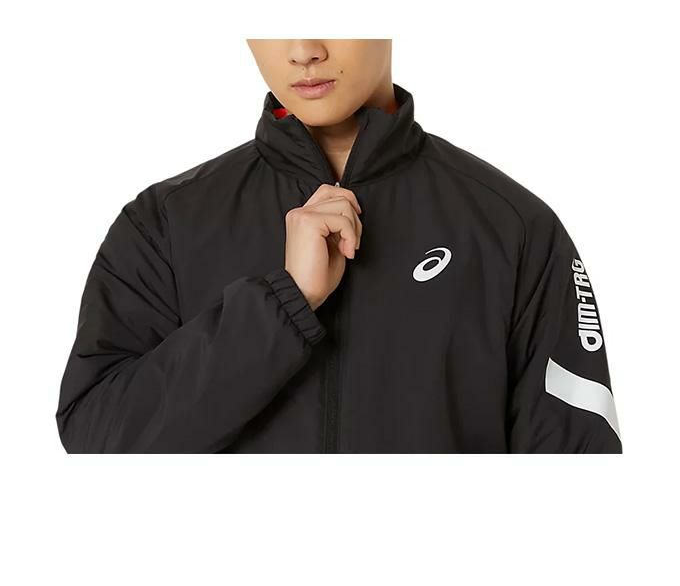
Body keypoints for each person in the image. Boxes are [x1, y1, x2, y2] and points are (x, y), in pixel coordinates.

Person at [55, 39, 622, 453]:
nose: (304, 50)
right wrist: (283, 304)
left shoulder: (513, 226)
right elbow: (96, 442)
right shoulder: (164, 223)